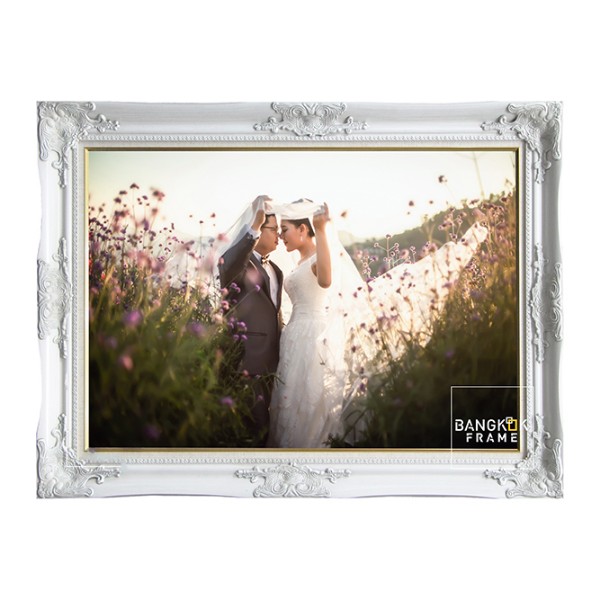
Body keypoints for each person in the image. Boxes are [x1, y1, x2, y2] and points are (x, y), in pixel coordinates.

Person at [217, 195, 283, 442]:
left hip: (276, 364)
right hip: (247, 361)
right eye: (273, 229)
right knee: (252, 432)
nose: (278, 235)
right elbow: (226, 265)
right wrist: (254, 225)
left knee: (269, 430)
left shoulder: (277, 270)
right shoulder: (240, 265)